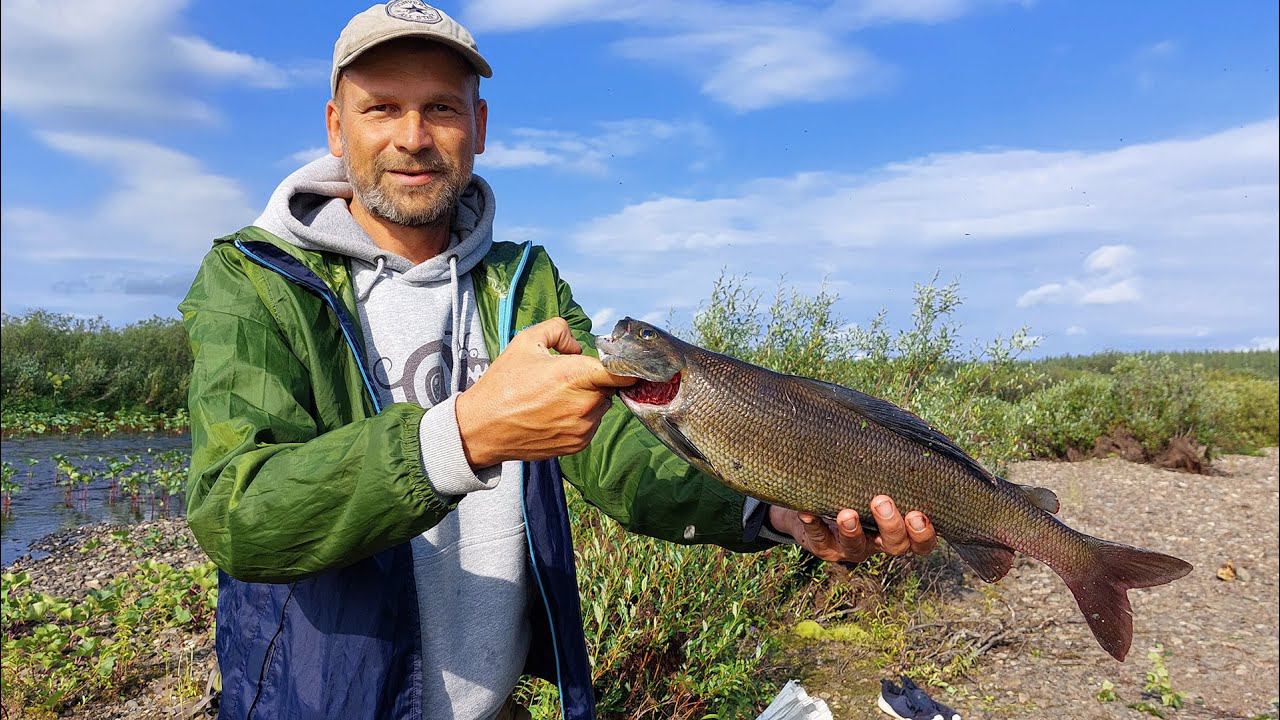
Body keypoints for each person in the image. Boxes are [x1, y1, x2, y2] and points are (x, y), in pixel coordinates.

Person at [178, 3, 938, 719]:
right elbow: (238, 511)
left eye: (441, 107)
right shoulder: (255, 281)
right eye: (382, 107)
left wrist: (768, 510)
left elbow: (617, 454)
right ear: (335, 127)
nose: (413, 135)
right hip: (326, 701)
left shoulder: (523, 281)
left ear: (478, 126)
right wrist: (464, 435)